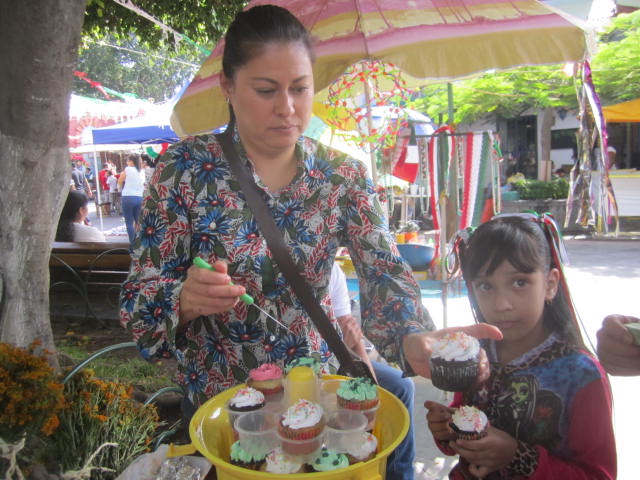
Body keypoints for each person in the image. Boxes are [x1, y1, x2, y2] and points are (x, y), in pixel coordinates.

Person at [119, 5, 500, 420]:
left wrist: (412, 337)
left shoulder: (342, 176)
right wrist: (185, 299)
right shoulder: (185, 169)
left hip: (316, 403)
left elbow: (385, 271)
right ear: (228, 86)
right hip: (221, 409)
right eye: (266, 90)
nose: (286, 107)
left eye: (300, 88)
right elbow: (140, 304)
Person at [425, 214, 616, 479]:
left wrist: (517, 457)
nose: (502, 304)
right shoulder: (473, 353)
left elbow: (599, 474)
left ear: (550, 284)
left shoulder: (581, 375)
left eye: (519, 282)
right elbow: (465, 421)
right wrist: (449, 427)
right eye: (486, 286)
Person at [329, 262, 416, 479]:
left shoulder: (331, 271)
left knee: (400, 385)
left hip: (338, 360)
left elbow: (352, 331)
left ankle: (399, 473)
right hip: (312, 367)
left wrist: (372, 385)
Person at [117, 154, 145, 243]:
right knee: (138, 221)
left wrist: (120, 188)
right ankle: (141, 241)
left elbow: (120, 181)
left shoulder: (128, 169)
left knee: (129, 222)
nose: (127, 162)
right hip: (139, 197)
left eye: (128, 161)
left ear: (131, 161)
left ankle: (132, 242)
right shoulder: (142, 171)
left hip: (128, 196)